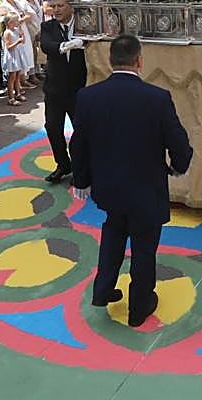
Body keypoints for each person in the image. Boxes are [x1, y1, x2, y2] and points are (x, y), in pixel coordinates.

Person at [70, 34, 192, 327]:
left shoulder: (88, 96)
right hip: (146, 188)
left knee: (113, 233)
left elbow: (78, 144)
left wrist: (83, 180)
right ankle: (139, 306)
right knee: (144, 246)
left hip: (109, 186)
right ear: (139, 61)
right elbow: (178, 141)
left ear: (110, 61)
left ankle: (102, 290)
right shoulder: (157, 98)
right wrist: (178, 167)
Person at [39, 0, 87, 183]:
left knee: (82, 130)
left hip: (79, 89)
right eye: (54, 6)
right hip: (55, 89)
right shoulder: (47, 26)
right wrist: (67, 46)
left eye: (61, 6)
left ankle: (81, 167)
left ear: (71, 6)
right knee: (52, 128)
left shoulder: (84, 25)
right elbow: (46, 46)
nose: (56, 10)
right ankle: (62, 164)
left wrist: (83, 42)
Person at [1, 14, 26, 106]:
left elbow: (23, 41)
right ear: (9, 23)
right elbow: (8, 47)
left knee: (18, 75)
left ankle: (18, 93)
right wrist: (17, 42)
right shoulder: (7, 32)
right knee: (12, 77)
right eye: (15, 21)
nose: (17, 22)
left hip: (18, 54)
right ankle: (11, 97)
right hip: (12, 56)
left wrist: (21, 34)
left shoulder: (15, 30)